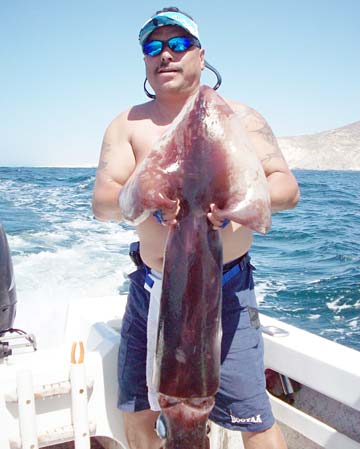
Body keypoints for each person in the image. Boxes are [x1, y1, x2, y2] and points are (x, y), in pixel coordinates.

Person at [92, 7, 300, 449]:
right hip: (153, 292)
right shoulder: (127, 125)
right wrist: (142, 197)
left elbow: (286, 188)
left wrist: (239, 201)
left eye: (178, 44)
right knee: (139, 411)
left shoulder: (241, 119)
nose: (164, 55)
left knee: (254, 417)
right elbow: (103, 204)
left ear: (201, 56)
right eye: (153, 48)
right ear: (145, 61)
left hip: (225, 290)